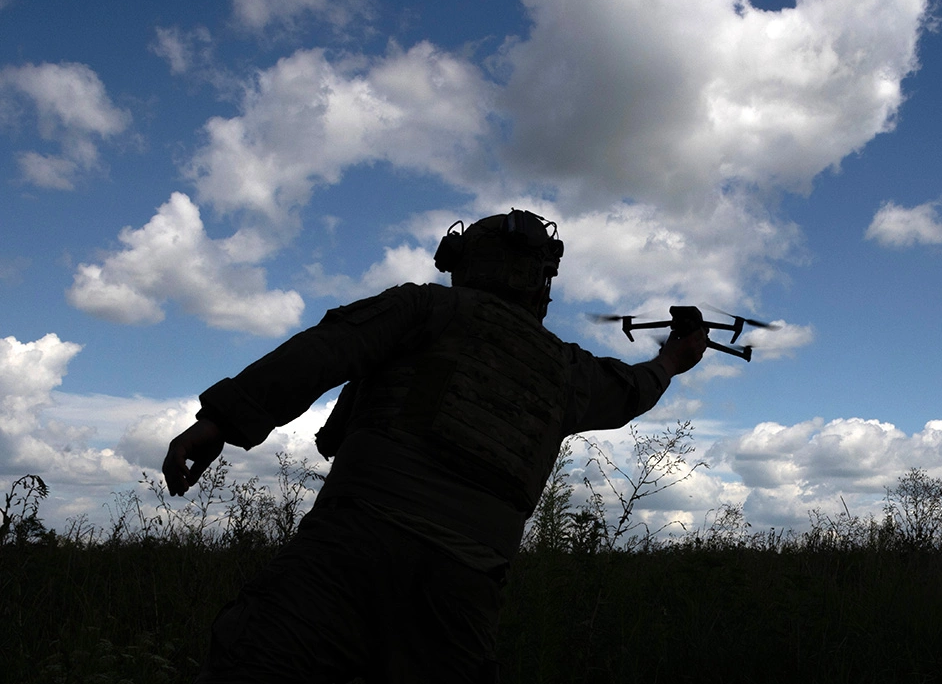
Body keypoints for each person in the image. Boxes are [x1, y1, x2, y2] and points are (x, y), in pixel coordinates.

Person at [162, 209, 708, 683]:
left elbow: (326, 348)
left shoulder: (425, 309)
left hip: (346, 554)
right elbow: (634, 389)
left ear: (465, 263)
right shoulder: (569, 371)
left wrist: (219, 422)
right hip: (461, 591)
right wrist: (672, 359)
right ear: (541, 280)